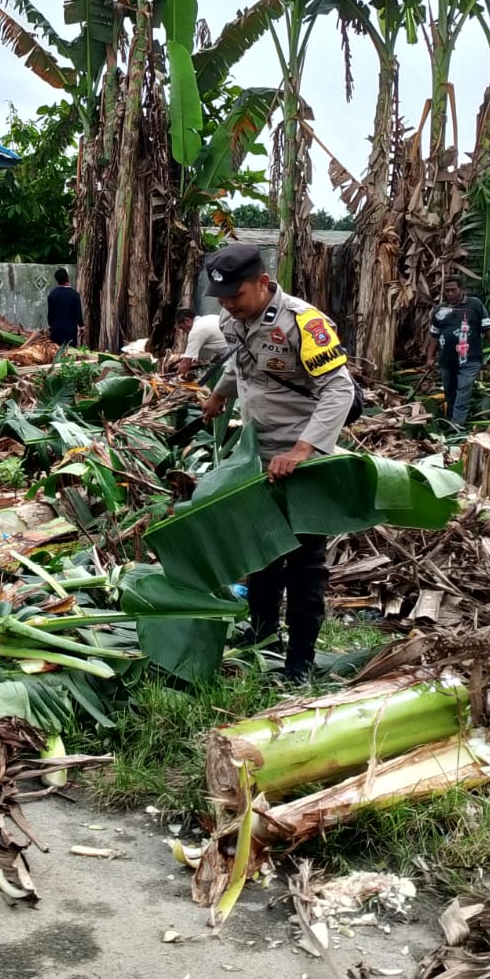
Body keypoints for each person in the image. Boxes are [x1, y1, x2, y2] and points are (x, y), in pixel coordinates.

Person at [198, 243, 355, 680]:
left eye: (236, 295)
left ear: (264, 284)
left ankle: (300, 662)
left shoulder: (305, 324)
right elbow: (242, 365)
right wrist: (219, 394)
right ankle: (264, 632)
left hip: (304, 463)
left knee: (305, 567)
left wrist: (302, 451)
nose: (228, 305)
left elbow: (338, 391)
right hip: (259, 458)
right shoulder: (234, 319)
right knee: (262, 554)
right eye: (222, 298)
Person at [428, 276, 490, 429]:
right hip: (447, 359)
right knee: (450, 389)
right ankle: (451, 420)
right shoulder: (440, 310)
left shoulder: (474, 305)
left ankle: (457, 423)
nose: (450, 294)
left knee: (464, 387)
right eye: (447, 291)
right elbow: (434, 335)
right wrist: (429, 357)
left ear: (462, 289)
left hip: (470, 358)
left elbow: (488, 327)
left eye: (453, 290)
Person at [174, 306, 227, 371]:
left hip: (232, 358)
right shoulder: (208, 319)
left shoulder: (196, 330)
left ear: (187, 320)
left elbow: (186, 362)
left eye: (181, 327)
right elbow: (221, 342)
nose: (183, 331)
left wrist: (175, 377)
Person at [47, 267, 83, 346]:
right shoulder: (74, 295)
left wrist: (50, 325)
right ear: (68, 278)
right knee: (70, 354)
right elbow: (78, 313)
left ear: (57, 280)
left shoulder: (52, 295)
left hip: (56, 331)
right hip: (70, 331)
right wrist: (81, 326)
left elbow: (50, 314)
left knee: (56, 354)